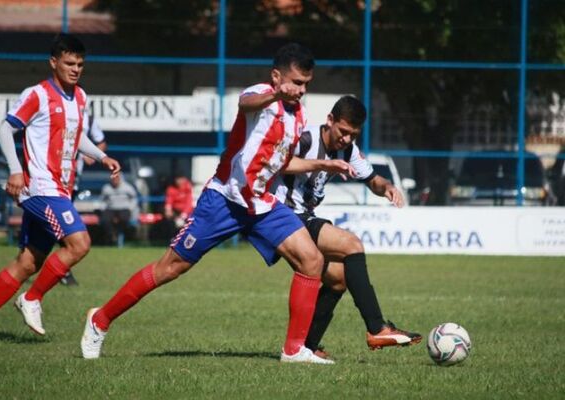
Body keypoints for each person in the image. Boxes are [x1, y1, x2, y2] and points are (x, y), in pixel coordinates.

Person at [80, 42, 353, 363]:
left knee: (312, 260)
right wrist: (277, 94)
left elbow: (282, 163)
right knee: (170, 268)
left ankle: (294, 350)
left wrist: (324, 164)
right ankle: (100, 320)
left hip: (262, 204)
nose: (300, 90)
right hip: (224, 199)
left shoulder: (298, 117)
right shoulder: (263, 95)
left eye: (306, 84)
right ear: (277, 76)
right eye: (295, 82)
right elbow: (246, 103)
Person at [0, 33, 121, 344]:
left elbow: (78, 138)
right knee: (79, 244)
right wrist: (15, 171)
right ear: (54, 62)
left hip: (60, 189)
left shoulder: (80, 97)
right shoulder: (36, 94)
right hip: (39, 187)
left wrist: (101, 156)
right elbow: (5, 131)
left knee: (29, 261)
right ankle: (32, 298)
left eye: (80, 64)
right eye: (69, 63)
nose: (75, 69)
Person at [275, 95, 421, 358]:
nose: (346, 139)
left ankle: (304, 347)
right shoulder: (305, 139)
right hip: (281, 215)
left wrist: (387, 187)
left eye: (352, 135)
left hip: (302, 216)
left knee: (339, 279)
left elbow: (373, 179)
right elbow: (277, 162)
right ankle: (377, 328)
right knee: (351, 244)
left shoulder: (349, 150)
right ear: (329, 120)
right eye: (343, 132)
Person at [61, 111, 109, 285]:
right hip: (50, 179)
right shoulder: (53, 109)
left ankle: (62, 270)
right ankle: (61, 270)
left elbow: (100, 142)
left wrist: (94, 154)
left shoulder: (87, 117)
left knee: (61, 228)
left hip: (72, 180)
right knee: (61, 229)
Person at [100, 173, 138, 246]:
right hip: (111, 208)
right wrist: (102, 209)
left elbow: (134, 199)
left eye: (116, 178)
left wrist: (131, 208)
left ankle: (118, 234)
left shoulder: (128, 187)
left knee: (124, 218)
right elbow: (103, 200)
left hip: (124, 208)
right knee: (105, 219)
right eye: (113, 179)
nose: (115, 180)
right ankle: (112, 235)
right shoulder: (106, 188)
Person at [163, 173, 194, 242]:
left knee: (187, 225)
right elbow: (169, 202)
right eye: (177, 179)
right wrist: (168, 210)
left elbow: (189, 203)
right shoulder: (171, 189)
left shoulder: (188, 187)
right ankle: (174, 240)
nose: (179, 181)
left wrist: (183, 216)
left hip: (188, 213)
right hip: (176, 213)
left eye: (181, 179)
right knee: (171, 221)